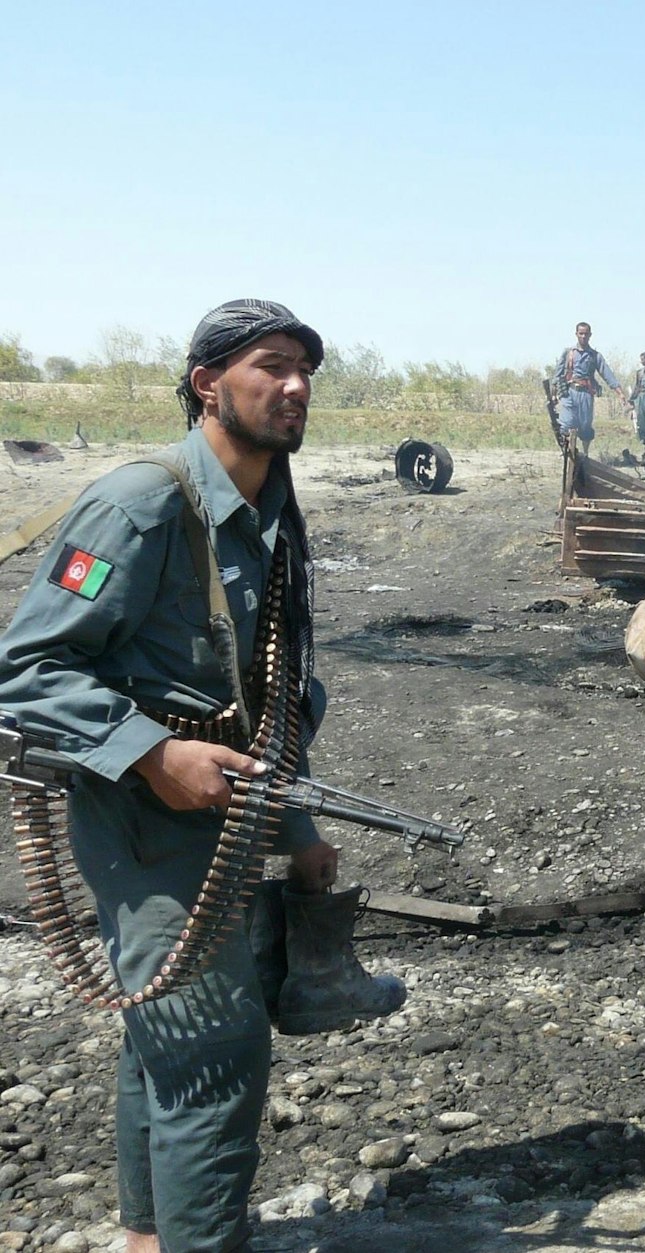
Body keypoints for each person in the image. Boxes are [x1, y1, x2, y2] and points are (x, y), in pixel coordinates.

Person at [0, 299, 400, 1253]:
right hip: (144, 818)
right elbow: (27, 668)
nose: (296, 386)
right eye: (272, 365)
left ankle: (150, 1238)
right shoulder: (141, 505)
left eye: (305, 370)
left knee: (171, 1038)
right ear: (207, 383)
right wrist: (154, 752)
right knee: (216, 1049)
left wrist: (298, 832)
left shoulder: (269, 510)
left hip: (232, 811)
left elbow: (273, 690)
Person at [550, 321, 627, 456]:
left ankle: (585, 455)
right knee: (566, 424)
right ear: (576, 334)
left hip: (586, 394)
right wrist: (554, 395)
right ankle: (567, 453)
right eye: (581, 333)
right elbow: (557, 375)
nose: (583, 336)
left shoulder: (595, 356)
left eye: (586, 334)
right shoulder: (568, 353)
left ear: (590, 335)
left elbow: (607, 375)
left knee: (585, 426)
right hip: (569, 393)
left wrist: (619, 393)